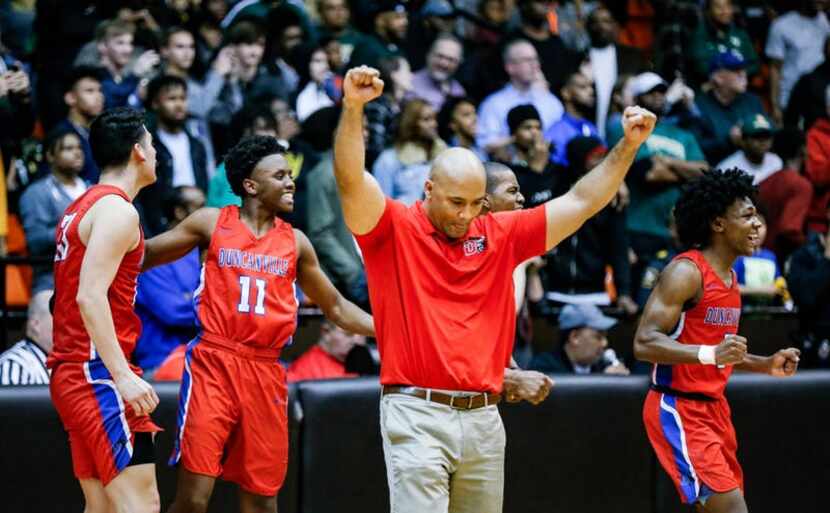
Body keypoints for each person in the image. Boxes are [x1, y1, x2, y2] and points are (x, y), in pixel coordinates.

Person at [333, 65, 656, 513]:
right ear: (429, 189)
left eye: (476, 204)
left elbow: (581, 203)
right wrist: (352, 108)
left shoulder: (500, 233)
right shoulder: (392, 228)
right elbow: (351, 179)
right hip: (416, 412)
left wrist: (628, 146)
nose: (465, 215)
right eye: (455, 202)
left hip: (484, 416)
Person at [142, 135, 375, 513]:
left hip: (265, 371)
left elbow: (335, 306)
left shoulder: (296, 242)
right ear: (250, 186)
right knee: (193, 500)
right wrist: (88, 262)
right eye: (279, 175)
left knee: (263, 501)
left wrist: (390, 329)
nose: (290, 182)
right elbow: (145, 255)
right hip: (213, 364)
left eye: (290, 174)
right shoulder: (210, 223)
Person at [634, 169, 801, 512]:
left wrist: (763, 363)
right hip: (678, 406)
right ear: (718, 224)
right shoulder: (686, 272)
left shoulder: (730, 276)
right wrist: (712, 354)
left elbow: (719, 352)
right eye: (747, 215)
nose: (758, 224)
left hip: (714, 409)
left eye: (758, 214)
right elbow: (644, 343)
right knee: (732, 508)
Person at [48, 107, 162, 513]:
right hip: (95, 374)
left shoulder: (81, 207)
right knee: (141, 504)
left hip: (74, 371)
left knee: (104, 508)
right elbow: (88, 296)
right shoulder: (118, 211)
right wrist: (122, 378)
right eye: (151, 143)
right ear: (138, 152)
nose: (156, 152)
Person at [134, 186, 204, 372]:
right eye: (200, 207)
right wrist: (215, 308)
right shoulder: (154, 254)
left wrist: (192, 299)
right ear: (179, 212)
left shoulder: (208, 251)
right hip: (161, 361)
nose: (208, 214)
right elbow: (173, 311)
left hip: (203, 359)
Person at [138, 74, 209, 236]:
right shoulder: (148, 144)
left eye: (183, 98)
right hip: (161, 224)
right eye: (171, 99)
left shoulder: (197, 145)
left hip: (195, 219)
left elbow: (203, 185)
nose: (179, 104)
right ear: (155, 103)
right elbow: (146, 193)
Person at [20, 128, 88, 293]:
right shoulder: (37, 192)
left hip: (93, 279)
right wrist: (79, 229)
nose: (77, 153)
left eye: (79, 147)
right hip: (52, 282)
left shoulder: (92, 188)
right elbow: (36, 241)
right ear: (50, 156)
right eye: (68, 148)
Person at [476, 39, 564, 156]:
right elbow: (485, 145)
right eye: (527, 60)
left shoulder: (551, 101)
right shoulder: (493, 104)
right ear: (510, 67)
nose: (535, 65)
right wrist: (519, 139)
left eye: (535, 59)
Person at [765, 0, 830, 124]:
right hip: (791, 98)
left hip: (819, 99)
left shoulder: (825, 21)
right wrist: (775, 105)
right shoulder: (781, 25)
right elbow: (775, 68)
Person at [373, 98, 447, 205]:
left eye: (434, 119)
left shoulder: (444, 155)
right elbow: (381, 205)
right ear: (411, 123)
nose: (434, 124)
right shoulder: (389, 160)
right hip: (403, 219)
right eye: (427, 119)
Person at [529, 304, 630, 375]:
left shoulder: (604, 366)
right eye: (598, 336)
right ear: (574, 337)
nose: (605, 343)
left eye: (605, 337)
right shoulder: (544, 369)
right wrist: (601, 382)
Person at [53, 66, 104, 183]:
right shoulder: (60, 135)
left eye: (100, 90)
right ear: (70, 98)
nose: (99, 97)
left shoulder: (102, 133)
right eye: (89, 91)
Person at [545, 70, 601, 166]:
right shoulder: (555, 133)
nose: (591, 91)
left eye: (591, 86)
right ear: (566, 93)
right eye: (583, 87)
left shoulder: (591, 127)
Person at [0, 290, 53, 386]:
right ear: (36, 324)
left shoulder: (64, 361)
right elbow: (12, 401)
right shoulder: (15, 364)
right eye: (60, 318)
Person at [286, 320, 366, 382]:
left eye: (363, 333)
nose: (358, 341)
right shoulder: (303, 371)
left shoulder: (367, 364)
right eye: (348, 334)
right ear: (326, 332)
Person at [408, 34, 466, 111]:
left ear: (458, 63)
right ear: (428, 55)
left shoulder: (459, 92)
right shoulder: (409, 85)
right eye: (440, 56)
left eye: (451, 59)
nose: (444, 64)